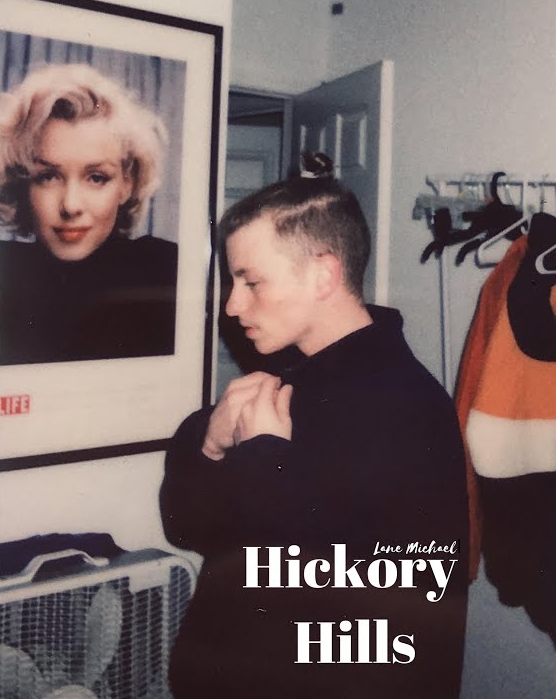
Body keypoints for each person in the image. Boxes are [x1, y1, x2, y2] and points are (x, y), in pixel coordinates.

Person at [160, 154, 471, 698]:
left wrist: (264, 460)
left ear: (324, 275)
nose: (232, 306)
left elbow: (385, 621)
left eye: (251, 282)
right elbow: (187, 528)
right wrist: (208, 443)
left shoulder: (404, 407)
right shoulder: (283, 382)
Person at [0, 63, 177, 365]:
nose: (71, 205)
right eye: (48, 177)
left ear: (127, 183)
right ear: (22, 182)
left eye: (96, 178)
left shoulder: (168, 269)